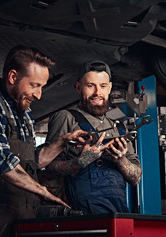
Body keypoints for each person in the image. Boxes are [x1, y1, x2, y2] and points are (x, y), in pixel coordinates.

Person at [0, 45, 87, 237]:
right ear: (12, 77)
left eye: (42, 87)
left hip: (22, 217)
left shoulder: (25, 114)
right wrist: (42, 191)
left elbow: (30, 163)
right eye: (34, 85)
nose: (39, 95)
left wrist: (62, 141)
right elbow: (1, 161)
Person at [45, 60, 142, 215]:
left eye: (103, 86)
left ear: (109, 88)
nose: (98, 92)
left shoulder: (117, 119)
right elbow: (48, 170)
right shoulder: (66, 117)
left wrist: (121, 161)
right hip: (83, 215)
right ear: (78, 87)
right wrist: (79, 163)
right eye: (90, 86)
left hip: (118, 212)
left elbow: (136, 177)